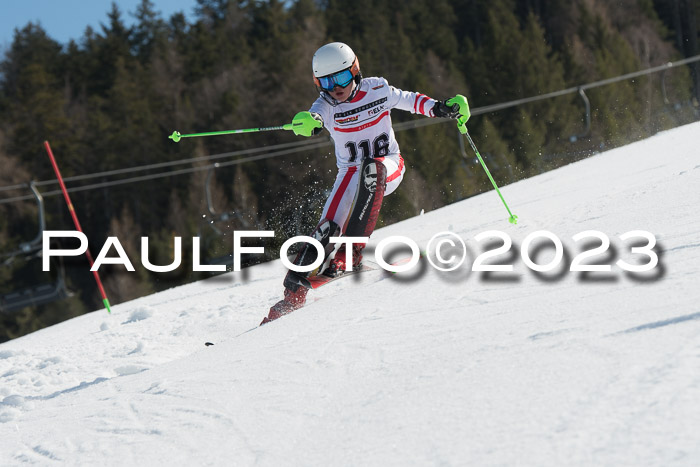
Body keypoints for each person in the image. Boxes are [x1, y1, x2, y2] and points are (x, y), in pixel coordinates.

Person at [261, 42, 464, 325]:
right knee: (326, 230)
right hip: (349, 173)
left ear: (354, 72)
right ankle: (293, 292)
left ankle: (351, 253)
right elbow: (316, 116)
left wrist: (441, 108)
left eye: (341, 78)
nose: (336, 87)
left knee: (372, 170)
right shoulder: (327, 105)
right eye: (327, 82)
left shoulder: (378, 89)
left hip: (388, 166)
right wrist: (308, 121)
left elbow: (409, 99)